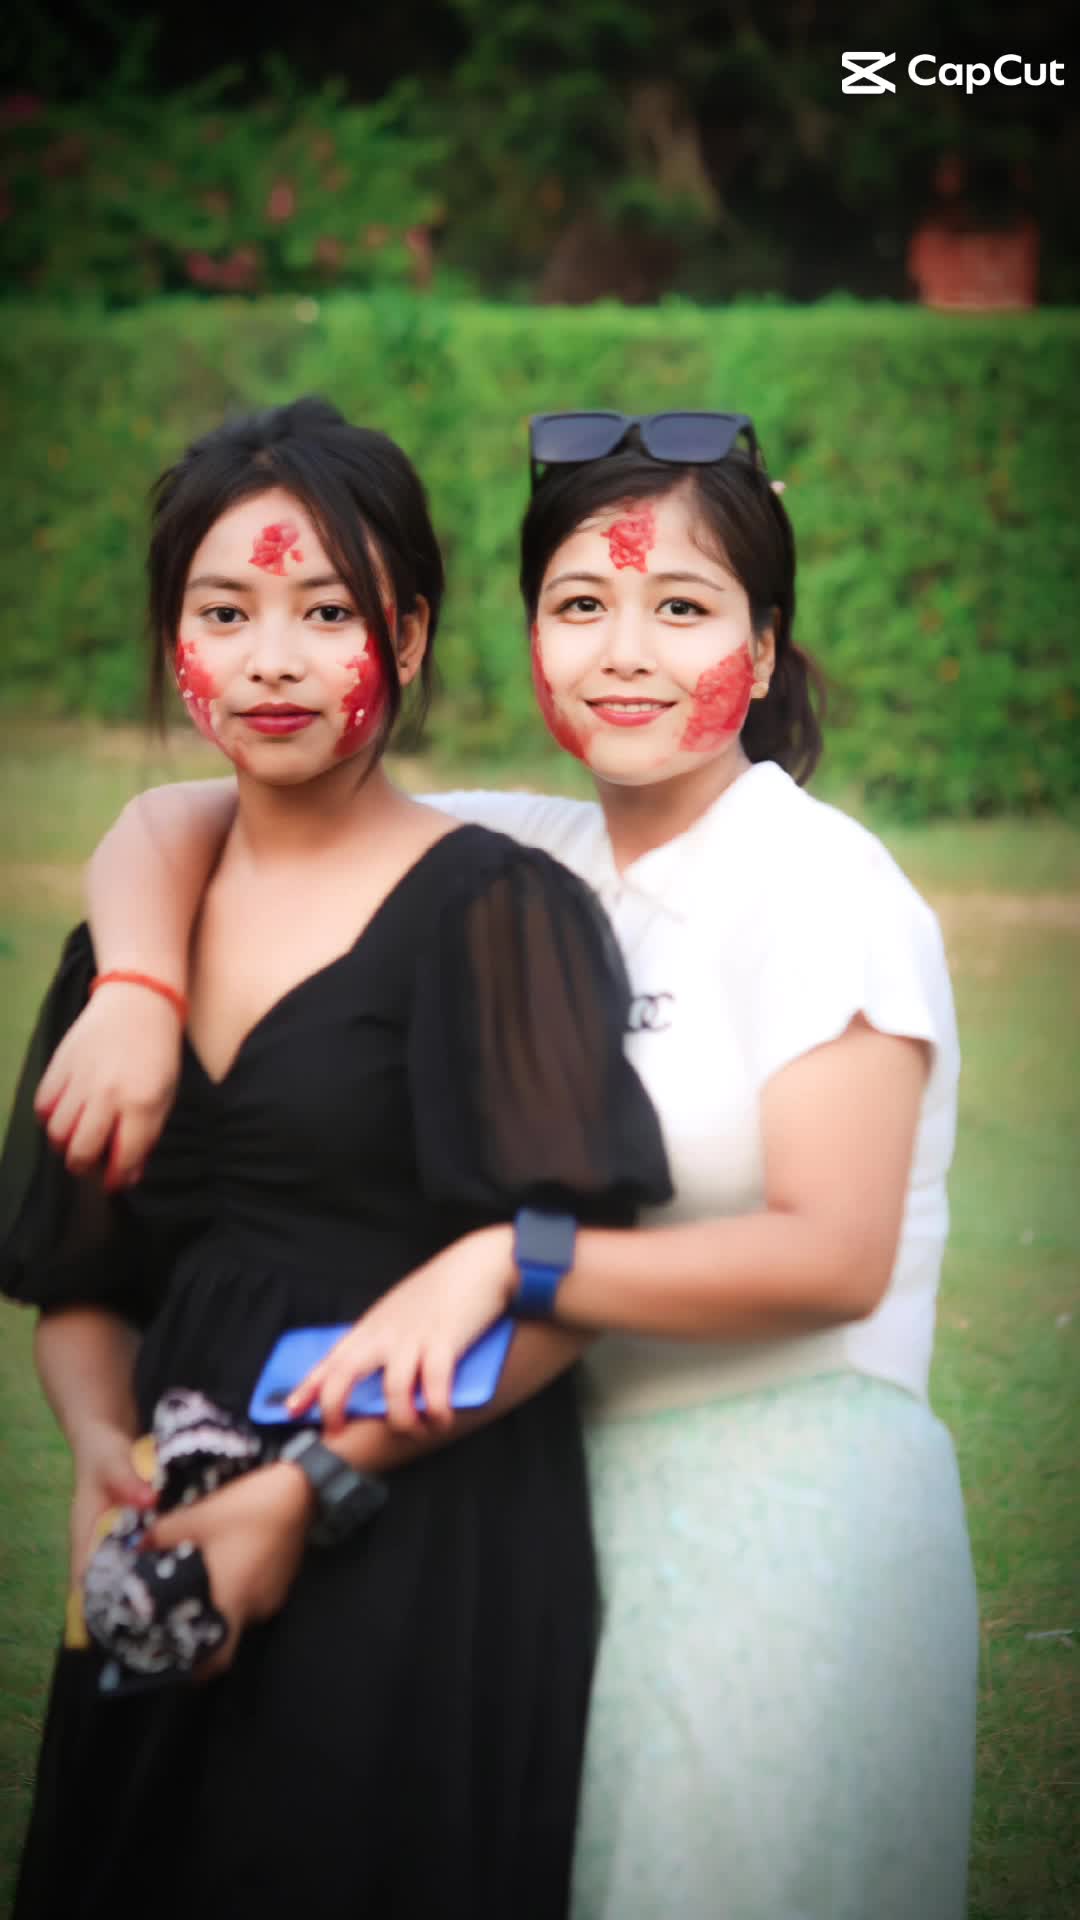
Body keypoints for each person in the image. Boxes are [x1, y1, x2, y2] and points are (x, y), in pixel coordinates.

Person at [26, 409, 979, 1919]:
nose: (625, 653)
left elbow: (835, 1255)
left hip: (782, 1511)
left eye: (684, 609)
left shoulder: (819, 887)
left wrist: (504, 1259)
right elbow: (195, 809)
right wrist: (138, 984)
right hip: (553, 1489)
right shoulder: (541, 847)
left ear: (765, 647)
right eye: (580, 604)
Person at [0, 397, 672, 1920]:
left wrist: (306, 1490)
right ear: (174, 637)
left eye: (327, 612)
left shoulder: (495, 912)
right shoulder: (126, 946)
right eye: (224, 612)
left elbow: (569, 1281)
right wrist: (102, 1448)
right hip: (171, 1537)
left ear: (409, 637)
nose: (273, 660)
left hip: (421, 1540)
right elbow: (84, 1277)